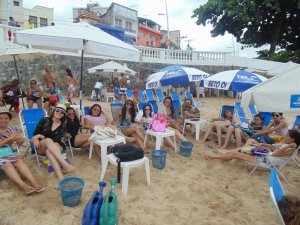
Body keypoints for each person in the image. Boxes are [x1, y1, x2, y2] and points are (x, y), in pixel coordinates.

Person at [0, 108, 44, 194]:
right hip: (1, 155)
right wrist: (10, 138)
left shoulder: (12, 128)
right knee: (7, 164)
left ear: (9, 119)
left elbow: (21, 142)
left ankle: (34, 183)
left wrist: (17, 139)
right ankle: (23, 185)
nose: (3, 120)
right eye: (0, 118)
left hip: (11, 151)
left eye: (6, 118)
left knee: (19, 161)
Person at [201, 130, 300, 166]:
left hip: (265, 160)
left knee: (237, 154)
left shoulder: (290, 150)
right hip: (264, 155)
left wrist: (287, 146)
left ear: (292, 140)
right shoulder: (288, 147)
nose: (284, 137)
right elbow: (274, 149)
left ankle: (212, 157)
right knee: (239, 152)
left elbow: (275, 154)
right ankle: (221, 156)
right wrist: (263, 145)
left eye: (287, 136)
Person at [32, 104, 76, 181]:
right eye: (57, 110)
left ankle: (61, 178)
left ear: (64, 115)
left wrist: (40, 136)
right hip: (41, 147)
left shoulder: (63, 126)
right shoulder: (44, 120)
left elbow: (58, 140)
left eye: (62, 112)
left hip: (54, 147)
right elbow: (35, 135)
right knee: (48, 140)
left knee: (49, 151)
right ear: (54, 110)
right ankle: (65, 165)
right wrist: (38, 137)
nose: (59, 113)